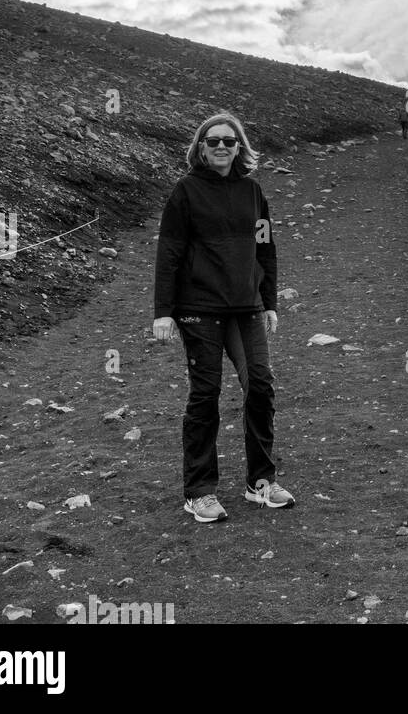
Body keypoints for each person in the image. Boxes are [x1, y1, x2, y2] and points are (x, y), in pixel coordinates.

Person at [152, 111, 295, 522]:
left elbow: (265, 248)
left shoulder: (253, 192)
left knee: (261, 387)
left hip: (246, 308)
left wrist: (268, 302)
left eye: (228, 141)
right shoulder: (186, 191)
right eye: (212, 140)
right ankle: (199, 491)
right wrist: (164, 312)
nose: (220, 146)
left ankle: (260, 483)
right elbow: (170, 252)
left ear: (239, 147)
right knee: (205, 394)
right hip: (200, 310)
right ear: (200, 147)